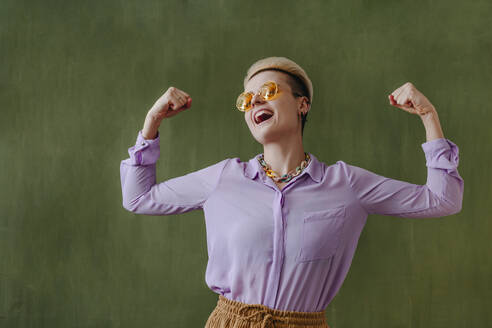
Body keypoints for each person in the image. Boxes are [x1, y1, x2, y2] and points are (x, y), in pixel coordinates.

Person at [120, 56, 464, 328]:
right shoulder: (224, 178)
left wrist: (428, 116)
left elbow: (443, 200)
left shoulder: (347, 185)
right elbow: (139, 197)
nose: (255, 103)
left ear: (303, 105)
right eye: (247, 100)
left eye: (267, 92)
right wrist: (152, 123)